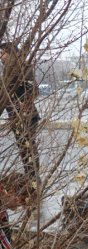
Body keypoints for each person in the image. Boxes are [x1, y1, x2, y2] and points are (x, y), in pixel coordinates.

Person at [0, 42, 41, 183]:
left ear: (10, 53)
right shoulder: (7, 70)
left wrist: (22, 104)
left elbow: (34, 90)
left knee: (28, 146)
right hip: (15, 116)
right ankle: (32, 177)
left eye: (2, 53)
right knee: (24, 147)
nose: (1, 56)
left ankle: (34, 178)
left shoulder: (22, 67)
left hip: (26, 115)